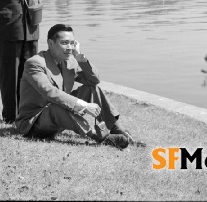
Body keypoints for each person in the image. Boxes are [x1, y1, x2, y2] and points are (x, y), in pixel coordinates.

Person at [15, 24, 146, 149]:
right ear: (50, 43)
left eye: (72, 43)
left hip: (59, 116)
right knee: (56, 106)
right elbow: (50, 93)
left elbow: (93, 80)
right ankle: (102, 137)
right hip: (34, 123)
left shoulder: (70, 61)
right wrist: (84, 105)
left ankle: (118, 129)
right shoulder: (35, 63)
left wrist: (80, 57)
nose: (70, 47)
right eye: (65, 43)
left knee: (92, 89)